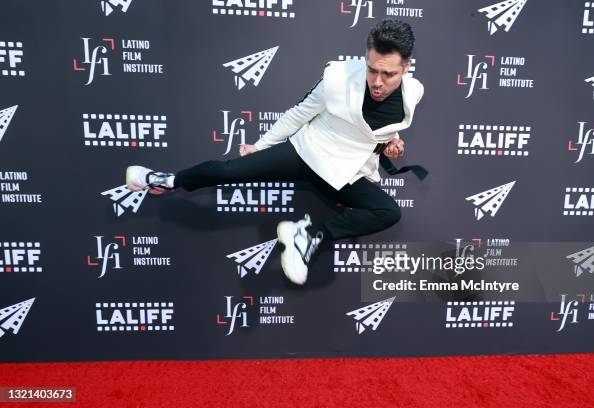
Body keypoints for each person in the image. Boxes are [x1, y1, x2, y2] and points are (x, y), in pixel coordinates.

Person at [125, 19, 425, 285]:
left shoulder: (414, 92)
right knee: (228, 171)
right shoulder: (337, 79)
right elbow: (299, 114)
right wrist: (260, 146)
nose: (377, 81)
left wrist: (390, 141)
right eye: (372, 69)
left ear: (407, 66)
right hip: (306, 153)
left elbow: (376, 124)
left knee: (388, 212)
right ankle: (167, 179)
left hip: (344, 172)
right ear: (366, 58)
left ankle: (308, 235)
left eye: (388, 74)